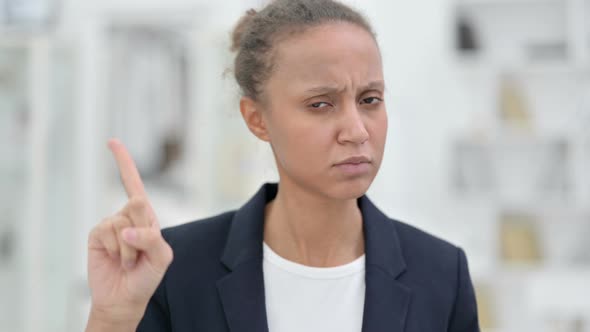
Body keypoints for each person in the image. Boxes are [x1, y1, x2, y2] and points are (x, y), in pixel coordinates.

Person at [86, 0, 481, 331]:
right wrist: (112, 317)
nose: (357, 131)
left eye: (370, 99)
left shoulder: (442, 275)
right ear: (257, 119)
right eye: (320, 104)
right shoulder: (176, 268)